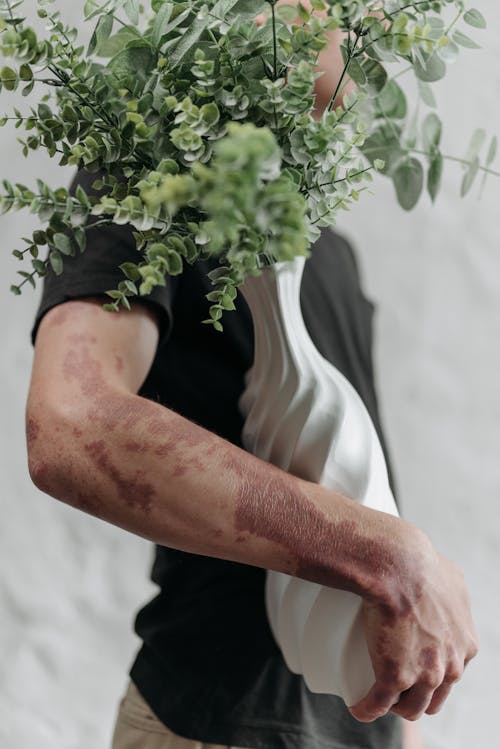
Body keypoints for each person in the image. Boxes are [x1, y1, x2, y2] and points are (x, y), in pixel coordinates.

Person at [25, 4, 478, 749]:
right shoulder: (150, 171)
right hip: (214, 721)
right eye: (348, 10)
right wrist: (386, 555)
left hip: (361, 728)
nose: (375, 23)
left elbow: (369, 483)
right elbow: (70, 425)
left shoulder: (333, 254)